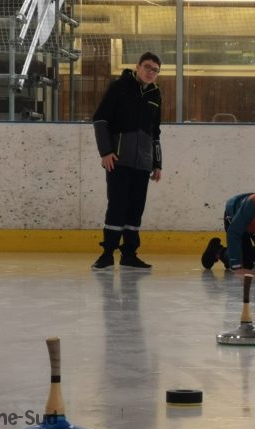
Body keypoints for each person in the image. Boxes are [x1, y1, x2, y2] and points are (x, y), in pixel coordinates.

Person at [91, 52, 164, 270]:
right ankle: (107, 253)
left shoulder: (155, 94)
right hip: (118, 160)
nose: (151, 72)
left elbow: (155, 132)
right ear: (137, 66)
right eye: (147, 67)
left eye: (155, 70)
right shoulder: (119, 87)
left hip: (143, 162)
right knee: (117, 206)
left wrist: (157, 163)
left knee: (135, 209)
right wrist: (105, 152)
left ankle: (129, 254)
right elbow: (100, 119)